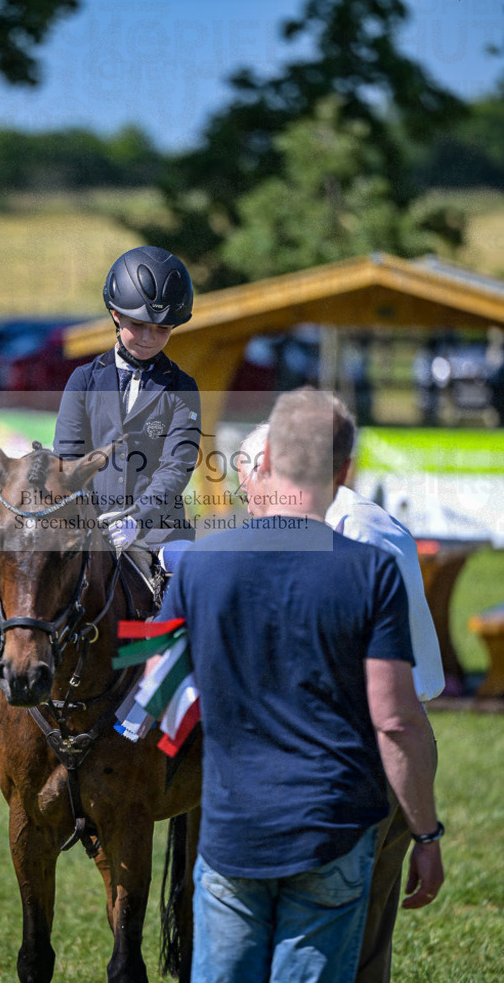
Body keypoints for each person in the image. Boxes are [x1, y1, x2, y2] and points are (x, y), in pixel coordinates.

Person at [156, 389, 444, 983]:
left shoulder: (201, 562)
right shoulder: (370, 567)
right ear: (345, 470)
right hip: (335, 818)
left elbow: (156, 699)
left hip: (233, 825)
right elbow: (396, 718)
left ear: (267, 462)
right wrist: (427, 831)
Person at [0, 246, 201, 777]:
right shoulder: (83, 380)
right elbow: (70, 461)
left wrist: (140, 516)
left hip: (160, 528)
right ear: (115, 316)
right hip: (86, 524)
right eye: (139, 326)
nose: (148, 338)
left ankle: (203, 732)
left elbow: (179, 464)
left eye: (161, 330)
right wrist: (91, 518)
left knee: (199, 590)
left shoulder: (181, 388)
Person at [235, 412, 445, 983]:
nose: (246, 502)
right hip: (336, 744)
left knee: (347, 939)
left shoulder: (357, 532)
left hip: (370, 748)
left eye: (245, 486)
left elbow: (383, 689)